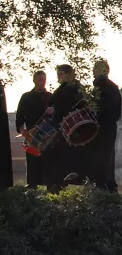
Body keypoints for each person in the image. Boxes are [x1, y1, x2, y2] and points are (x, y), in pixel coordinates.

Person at [46, 64, 85, 193]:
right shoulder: (61, 88)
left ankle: (63, 185)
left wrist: (56, 110)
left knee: (66, 158)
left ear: (68, 74)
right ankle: (56, 185)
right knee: (57, 158)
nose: (58, 76)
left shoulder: (76, 88)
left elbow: (74, 106)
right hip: (59, 128)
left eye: (60, 73)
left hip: (71, 129)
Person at [16, 71, 51, 189]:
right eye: (40, 79)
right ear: (34, 80)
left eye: (44, 79)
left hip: (47, 133)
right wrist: (22, 130)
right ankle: (32, 185)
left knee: (46, 159)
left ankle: (49, 185)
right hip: (31, 133)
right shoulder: (26, 97)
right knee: (31, 159)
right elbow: (19, 117)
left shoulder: (50, 97)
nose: (42, 82)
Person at [90, 60, 121, 192]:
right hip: (102, 126)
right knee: (101, 156)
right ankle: (102, 183)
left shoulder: (108, 88)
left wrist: (97, 114)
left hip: (105, 127)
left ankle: (105, 185)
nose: (93, 72)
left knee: (105, 156)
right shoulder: (102, 87)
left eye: (95, 69)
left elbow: (111, 109)